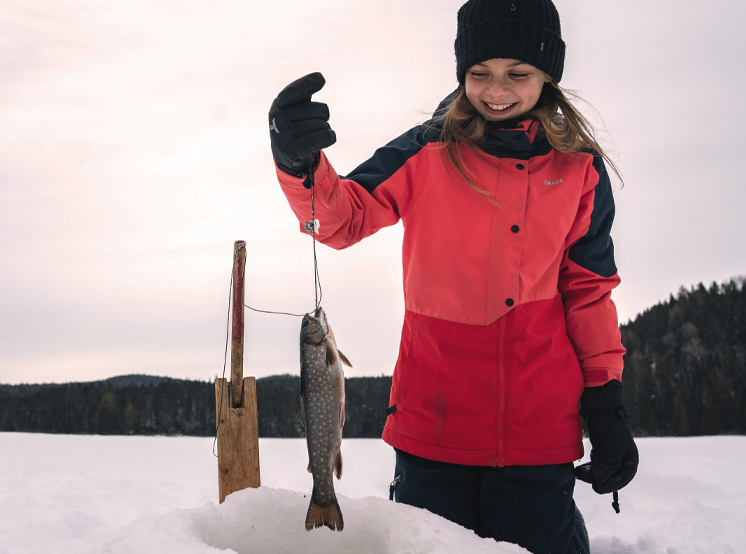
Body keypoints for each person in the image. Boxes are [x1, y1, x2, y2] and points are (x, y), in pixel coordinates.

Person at [267, 0, 638, 552]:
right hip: (431, 431)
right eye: (479, 73)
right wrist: (299, 162)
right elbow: (340, 218)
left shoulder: (579, 168)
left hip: (540, 432)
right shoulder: (425, 149)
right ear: (462, 73)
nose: (497, 90)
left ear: (548, 76)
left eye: (519, 73)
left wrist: (604, 402)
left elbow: (587, 293)